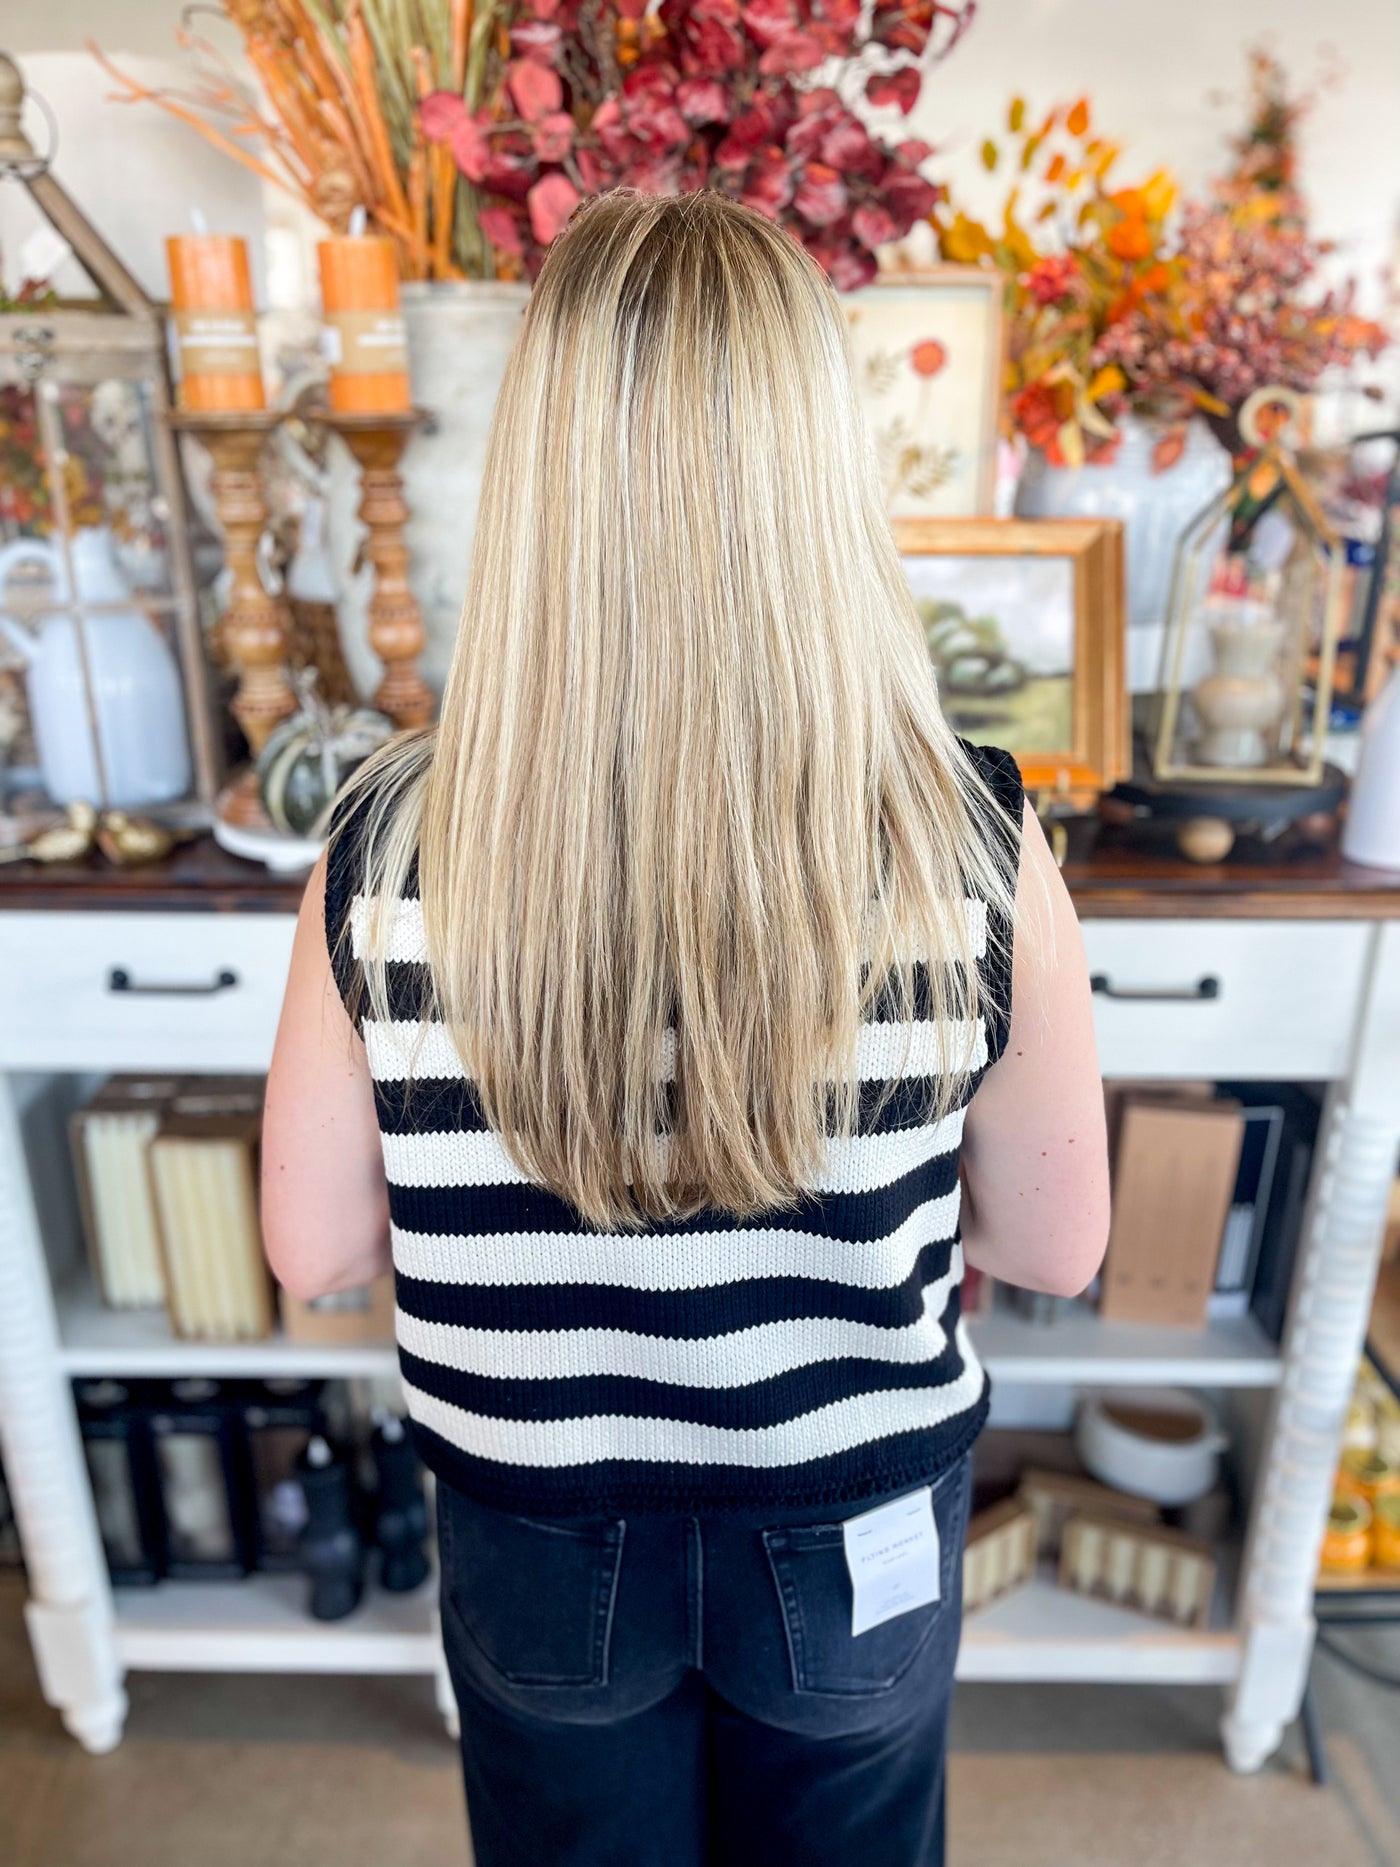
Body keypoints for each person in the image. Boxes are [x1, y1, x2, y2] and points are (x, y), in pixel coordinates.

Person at [263, 188, 1109, 1867]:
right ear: (820, 472)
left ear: (539, 479)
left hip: (535, 1532)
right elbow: (1063, 1246)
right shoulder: (968, 842)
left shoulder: (383, 842)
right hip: (850, 1512)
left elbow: (314, 1247)